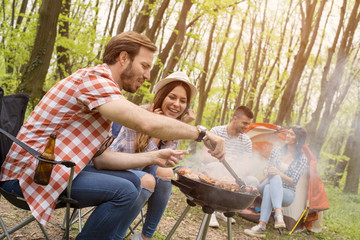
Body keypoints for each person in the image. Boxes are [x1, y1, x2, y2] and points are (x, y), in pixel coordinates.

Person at [0, 31, 225, 240]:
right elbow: (145, 122)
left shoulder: (105, 98)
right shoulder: (94, 79)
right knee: (125, 190)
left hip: (61, 170)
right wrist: (201, 133)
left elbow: (103, 159)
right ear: (124, 58)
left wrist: (154, 157)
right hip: (31, 174)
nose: (148, 76)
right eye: (145, 66)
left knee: (133, 182)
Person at [109, 71, 197, 240]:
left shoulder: (172, 125)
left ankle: (145, 237)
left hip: (143, 175)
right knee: (147, 179)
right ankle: (115, 236)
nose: (177, 104)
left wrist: (178, 126)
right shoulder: (139, 115)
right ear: (162, 96)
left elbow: (165, 164)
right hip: (117, 168)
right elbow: (132, 165)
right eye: (172, 97)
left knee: (166, 173)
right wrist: (155, 134)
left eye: (183, 101)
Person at [200, 106, 258, 228]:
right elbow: (204, 158)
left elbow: (246, 168)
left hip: (232, 173)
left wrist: (238, 165)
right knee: (217, 167)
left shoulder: (246, 141)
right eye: (244, 123)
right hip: (211, 170)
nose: (247, 127)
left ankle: (224, 209)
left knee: (253, 181)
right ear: (235, 118)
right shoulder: (216, 132)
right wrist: (223, 160)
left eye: (249, 124)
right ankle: (212, 212)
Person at [244, 126, 307, 238]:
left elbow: (293, 182)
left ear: (298, 139)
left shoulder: (302, 159)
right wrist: (267, 171)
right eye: (288, 133)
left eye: (292, 134)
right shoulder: (277, 151)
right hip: (267, 183)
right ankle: (278, 215)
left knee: (271, 184)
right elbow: (266, 168)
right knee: (273, 180)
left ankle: (262, 226)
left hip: (287, 193)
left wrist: (279, 173)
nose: (287, 135)